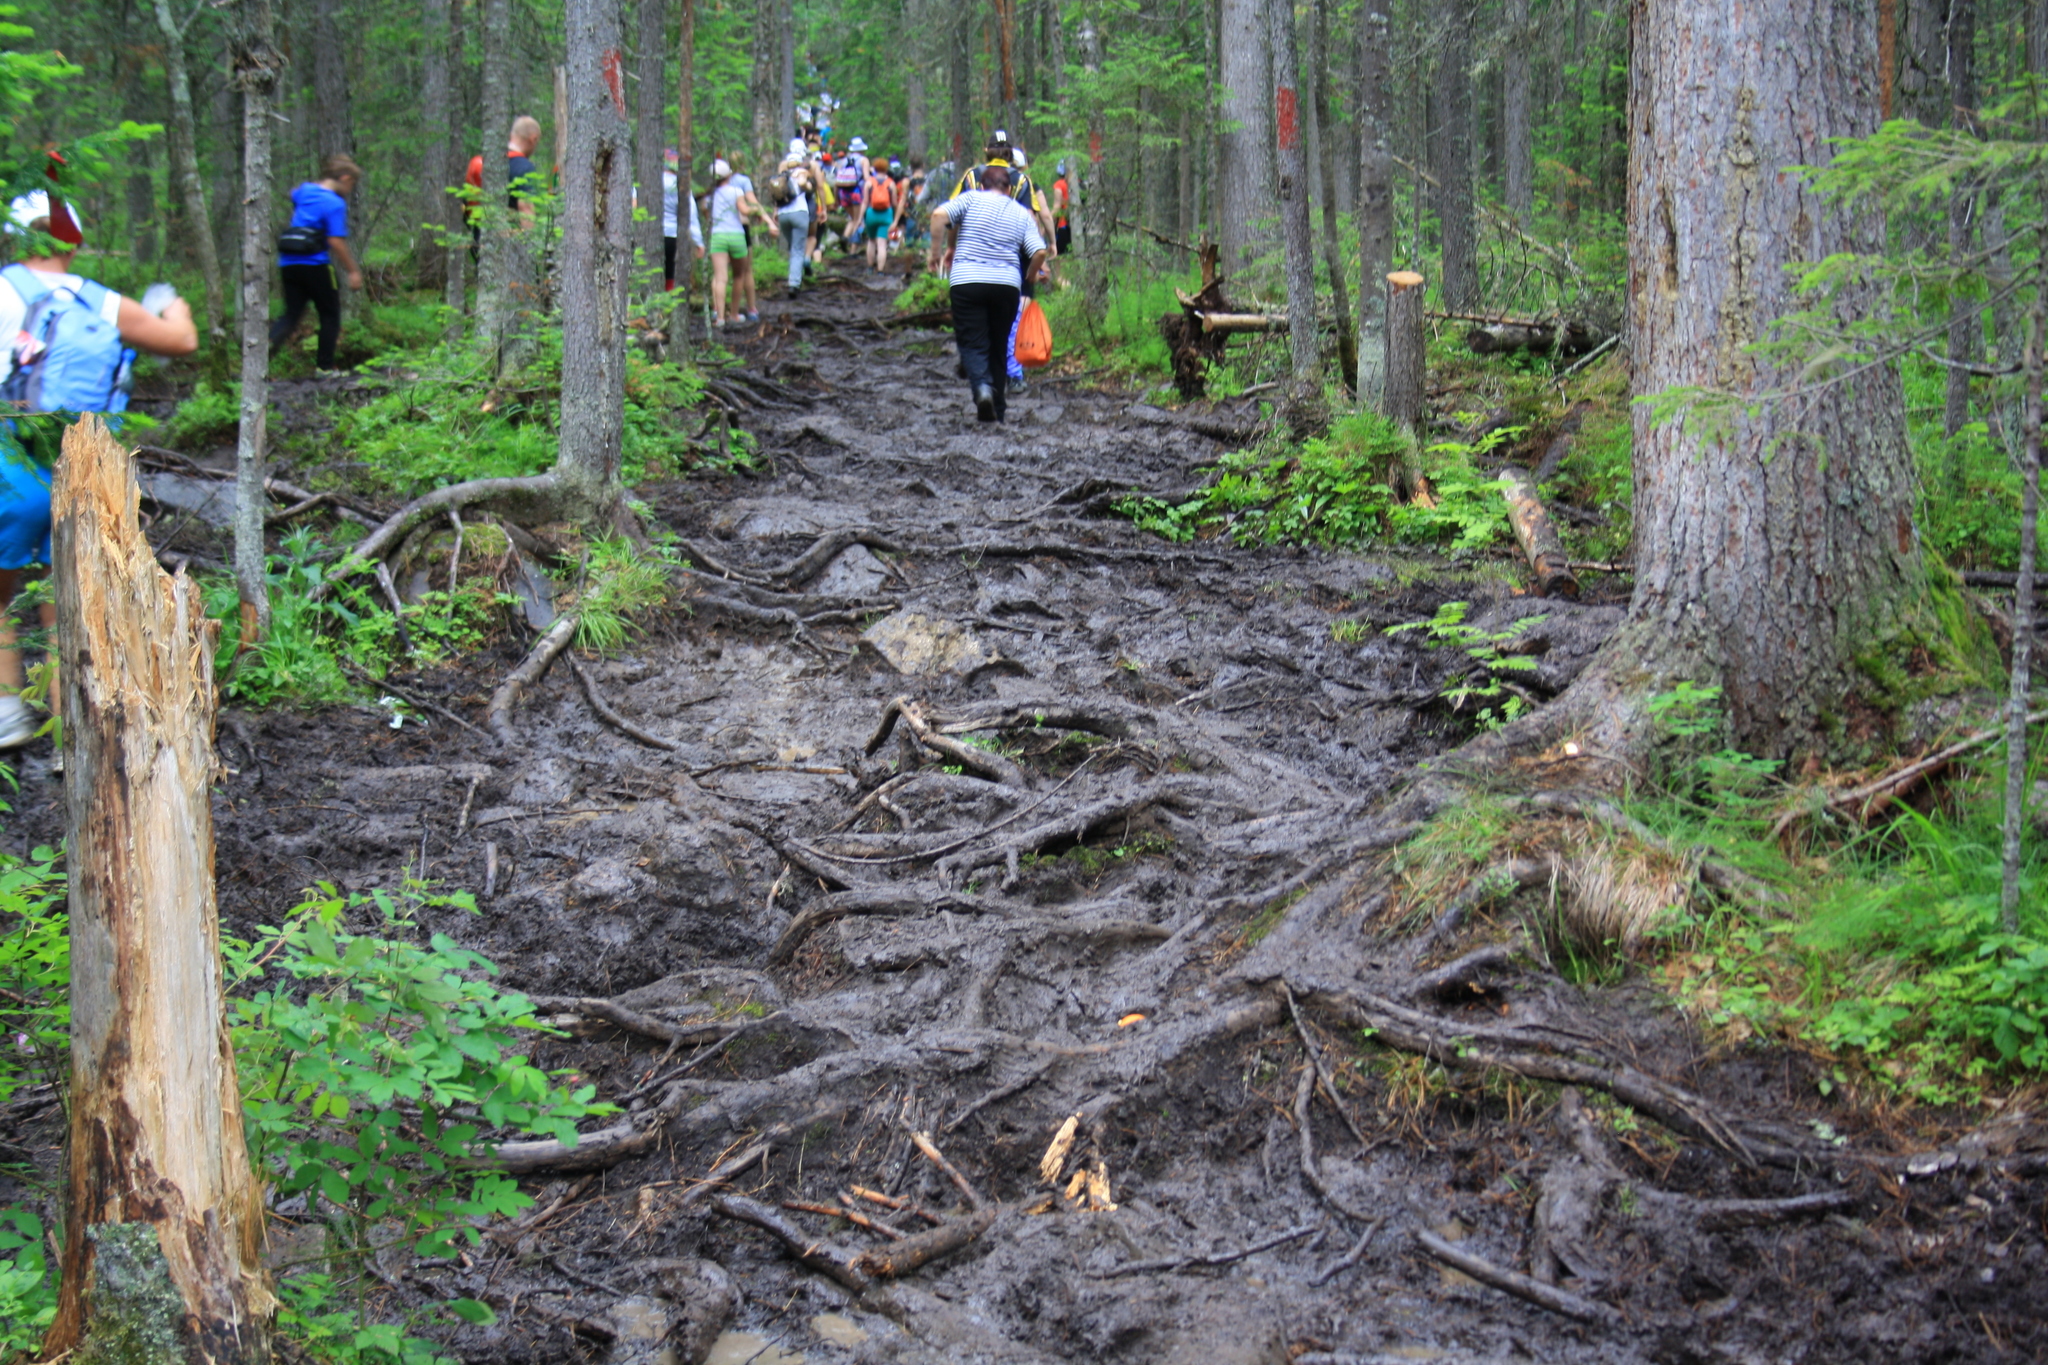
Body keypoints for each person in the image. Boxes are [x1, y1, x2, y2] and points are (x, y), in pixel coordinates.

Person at [0, 192, 198, 749]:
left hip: (11, 460)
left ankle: (7, 711)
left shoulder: (4, 288)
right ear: (73, 240)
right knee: (68, 595)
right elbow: (181, 340)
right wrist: (171, 302)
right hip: (85, 460)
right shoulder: (99, 299)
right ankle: (75, 735)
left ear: (19, 236)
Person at [940, 131, 1057, 391]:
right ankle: (1013, 373)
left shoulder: (972, 176)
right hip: (1015, 251)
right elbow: (1032, 217)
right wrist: (1043, 251)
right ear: (1010, 152)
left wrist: (950, 247)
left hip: (976, 249)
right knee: (1015, 310)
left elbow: (952, 216)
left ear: (986, 150)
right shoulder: (1023, 180)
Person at [933, 163, 1046, 425]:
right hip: (1006, 286)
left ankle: (982, 388)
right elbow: (1039, 252)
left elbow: (939, 216)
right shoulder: (1020, 211)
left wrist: (935, 254)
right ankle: (999, 410)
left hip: (967, 282)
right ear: (1008, 189)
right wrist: (1030, 275)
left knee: (972, 341)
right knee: (998, 344)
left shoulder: (970, 198)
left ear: (982, 186)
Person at [269, 153, 363, 377]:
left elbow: (293, 193)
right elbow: (335, 241)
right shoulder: (334, 203)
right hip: (316, 264)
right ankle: (325, 367)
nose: (350, 189)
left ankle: (257, 361)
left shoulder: (305, 191)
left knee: (291, 315)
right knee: (330, 314)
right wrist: (353, 271)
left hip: (288, 264)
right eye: (351, 183)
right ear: (344, 177)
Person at [705, 158, 778, 326]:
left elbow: (707, 214)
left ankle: (720, 317)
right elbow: (744, 209)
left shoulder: (711, 195)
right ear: (728, 175)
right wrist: (757, 211)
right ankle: (734, 315)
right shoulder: (736, 191)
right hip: (737, 236)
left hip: (718, 237)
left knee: (720, 277)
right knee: (739, 276)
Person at [769, 139, 817, 298]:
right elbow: (806, 186)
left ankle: (795, 274)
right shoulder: (802, 172)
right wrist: (807, 185)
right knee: (798, 250)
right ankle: (794, 284)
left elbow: (777, 198)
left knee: (793, 247)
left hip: (783, 215)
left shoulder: (781, 176)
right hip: (799, 213)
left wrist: (775, 212)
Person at [662, 147, 705, 290]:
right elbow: (691, 215)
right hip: (674, 237)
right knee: (672, 272)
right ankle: (670, 305)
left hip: (653, 235)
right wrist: (698, 242)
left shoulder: (650, 184)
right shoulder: (681, 186)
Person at [862, 152, 900, 274]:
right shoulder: (891, 183)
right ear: (886, 168)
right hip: (886, 214)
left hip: (871, 214)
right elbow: (894, 203)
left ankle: (869, 268)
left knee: (871, 241)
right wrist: (896, 217)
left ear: (875, 168)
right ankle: (880, 270)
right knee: (882, 244)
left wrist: (860, 218)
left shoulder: (869, 182)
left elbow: (865, 202)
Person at [1051, 161, 1072, 256]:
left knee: (1060, 258)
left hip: (1063, 225)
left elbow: (1057, 208)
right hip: (1079, 226)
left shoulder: (1059, 184)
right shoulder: (1078, 184)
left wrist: (1045, 227)